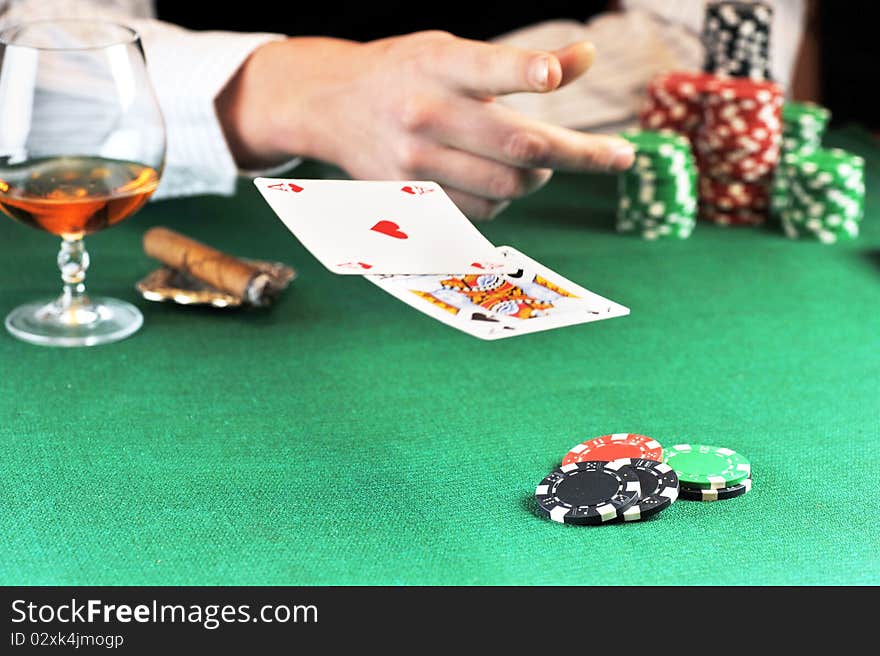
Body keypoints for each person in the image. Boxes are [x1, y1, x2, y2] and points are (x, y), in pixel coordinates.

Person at [0, 1, 807, 220]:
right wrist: (294, 90)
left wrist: (455, 92)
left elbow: (693, 38)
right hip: (187, 189)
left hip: (550, 203)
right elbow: (34, 49)